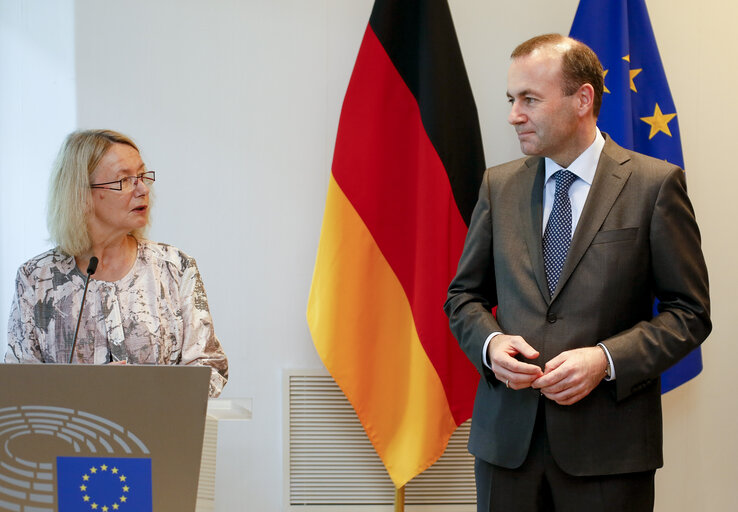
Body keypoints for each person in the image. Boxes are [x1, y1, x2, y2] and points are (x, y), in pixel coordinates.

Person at [444, 34, 710, 511]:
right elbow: (463, 296)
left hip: (609, 453)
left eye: (529, 99)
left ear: (583, 98)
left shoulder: (654, 186)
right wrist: (491, 344)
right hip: (507, 449)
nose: (513, 115)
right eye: (511, 99)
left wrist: (606, 360)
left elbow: (688, 313)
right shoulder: (497, 185)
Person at [5, 129, 228, 398]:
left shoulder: (175, 267)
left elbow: (211, 369)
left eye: (143, 176)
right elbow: (18, 384)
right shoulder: (37, 278)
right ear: (82, 195)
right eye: (124, 180)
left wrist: (143, 392)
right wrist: (92, 392)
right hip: (69, 437)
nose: (143, 189)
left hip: (162, 435)